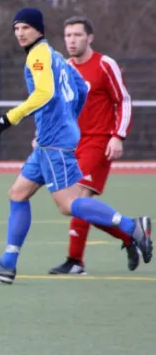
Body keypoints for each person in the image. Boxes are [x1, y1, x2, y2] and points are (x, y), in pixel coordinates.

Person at [0, 7, 152, 285]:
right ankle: (7, 265)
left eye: (26, 28)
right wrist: (69, 119)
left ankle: (132, 226)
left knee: (68, 205)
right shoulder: (56, 57)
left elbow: (44, 92)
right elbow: (81, 89)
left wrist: (8, 118)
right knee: (18, 194)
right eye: (16, 28)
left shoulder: (40, 55)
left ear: (39, 30)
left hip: (53, 142)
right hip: (49, 140)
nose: (20, 33)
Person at [49, 16, 137, 275]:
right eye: (68, 36)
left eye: (77, 35)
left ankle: (75, 261)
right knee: (74, 205)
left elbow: (123, 100)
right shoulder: (64, 68)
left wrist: (117, 135)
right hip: (73, 144)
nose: (72, 40)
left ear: (90, 38)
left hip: (99, 142)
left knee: (77, 199)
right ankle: (131, 233)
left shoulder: (104, 64)